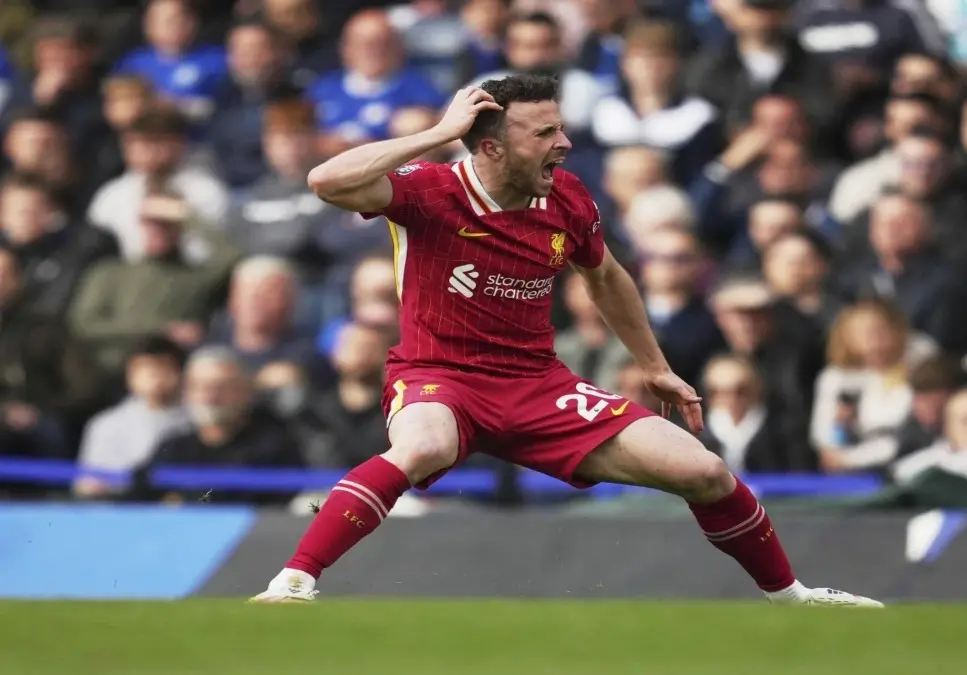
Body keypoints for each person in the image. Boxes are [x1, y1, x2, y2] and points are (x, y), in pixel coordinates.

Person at [250, 74, 881, 607]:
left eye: (561, 128)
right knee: (425, 444)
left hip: (538, 386)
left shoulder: (568, 196)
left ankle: (793, 599)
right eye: (545, 133)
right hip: (440, 375)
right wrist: (441, 133)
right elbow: (326, 180)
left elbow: (604, 274)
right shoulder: (429, 189)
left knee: (705, 469)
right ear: (492, 146)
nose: (565, 143)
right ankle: (294, 580)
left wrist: (653, 365)